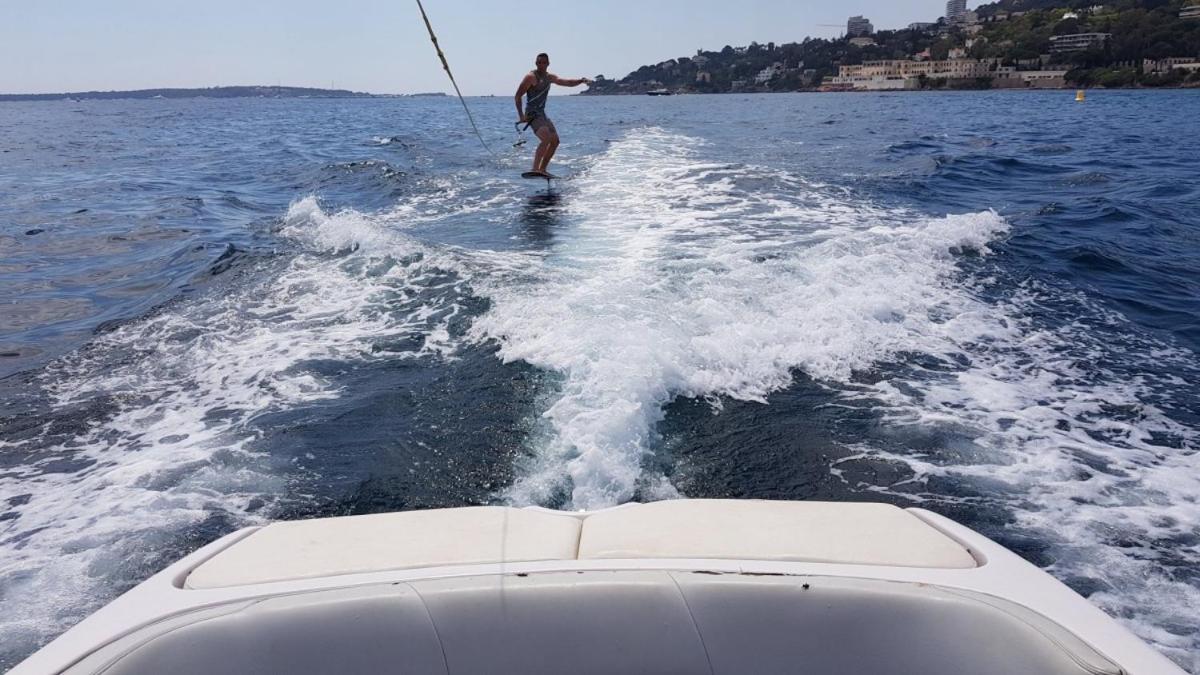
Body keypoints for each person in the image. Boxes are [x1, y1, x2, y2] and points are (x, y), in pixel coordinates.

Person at [515, 53, 590, 177]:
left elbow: (567, 82)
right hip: (532, 114)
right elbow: (518, 96)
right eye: (539, 62)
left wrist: (581, 80)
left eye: (544, 62)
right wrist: (521, 116)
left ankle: (542, 169)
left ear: (548, 64)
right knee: (546, 139)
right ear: (536, 63)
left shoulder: (549, 77)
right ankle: (535, 169)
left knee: (555, 141)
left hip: (542, 114)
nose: (541, 65)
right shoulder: (530, 77)